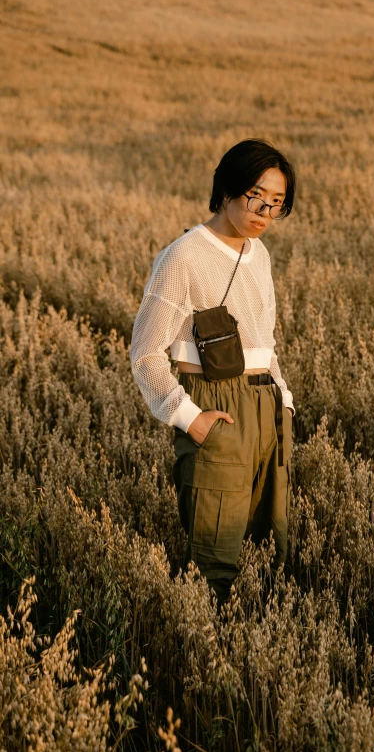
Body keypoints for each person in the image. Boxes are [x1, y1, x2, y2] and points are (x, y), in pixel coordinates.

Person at [130, 139, 296, 605]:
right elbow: (144, 353)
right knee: (215, 560)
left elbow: (266, 341)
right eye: (256, 195)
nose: (265, 210)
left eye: (277, 203)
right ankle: (209, 657)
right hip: (217, 408)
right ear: (226, 190)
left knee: (270, 550)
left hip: (268, 414)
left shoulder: (258, 254)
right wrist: (189, 416)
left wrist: (283, 402)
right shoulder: (182, 257)